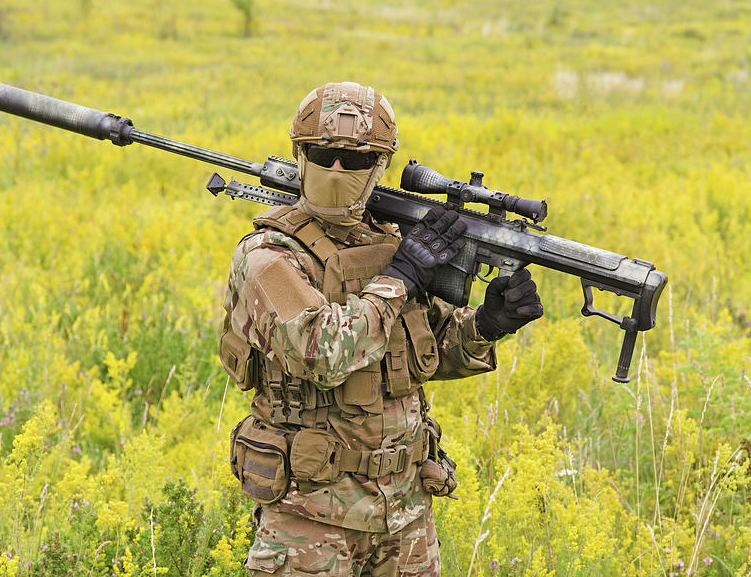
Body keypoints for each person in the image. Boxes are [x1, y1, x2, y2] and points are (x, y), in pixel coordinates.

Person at [220, 82, 543, 576]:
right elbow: (321, 353)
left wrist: (486, 324)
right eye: (323, 154)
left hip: (406, 515)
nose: (336, 170)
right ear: (299, 155)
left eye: (355, 160)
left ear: (380, 167)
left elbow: (419, 356)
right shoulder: (267, 255)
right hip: (310, 519)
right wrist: (402, 279)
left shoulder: (391, 244)